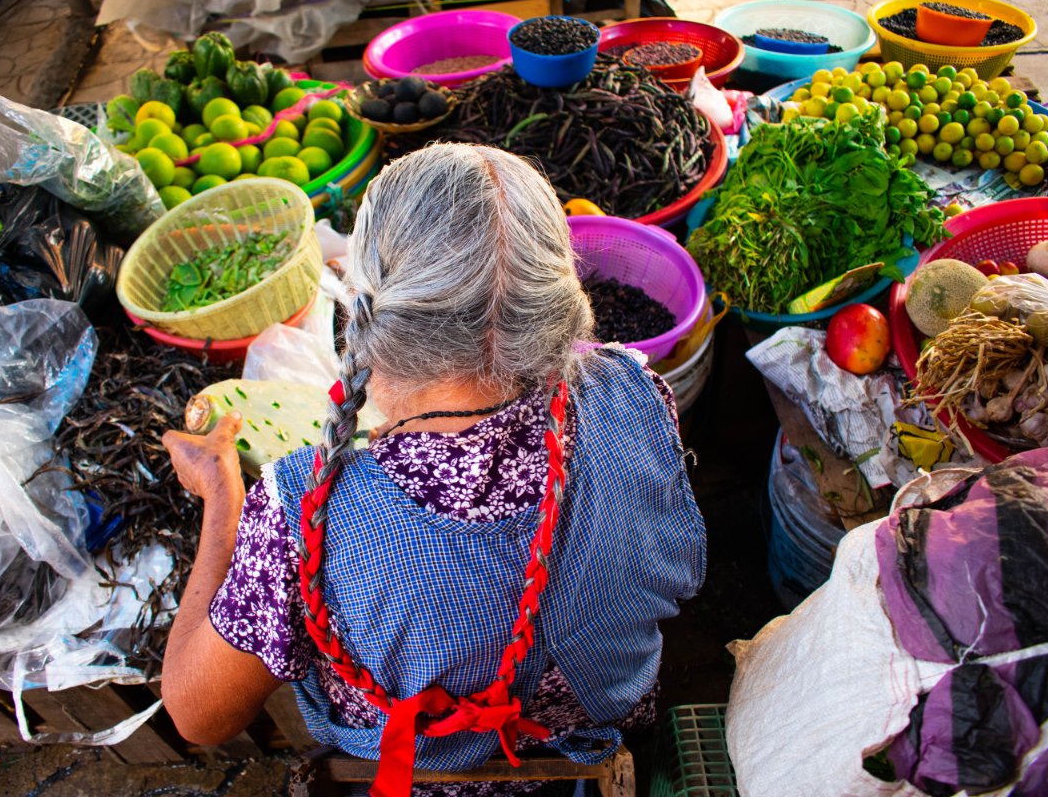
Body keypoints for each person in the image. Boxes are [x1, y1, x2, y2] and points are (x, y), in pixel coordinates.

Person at [161, 144, 707, 797]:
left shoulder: (299, 513)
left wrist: (221, 495)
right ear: (554, 295)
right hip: (594, 729)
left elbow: (198, 716)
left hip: (426, 776)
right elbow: (673, 574)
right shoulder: (634, 390)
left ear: (364, 309)